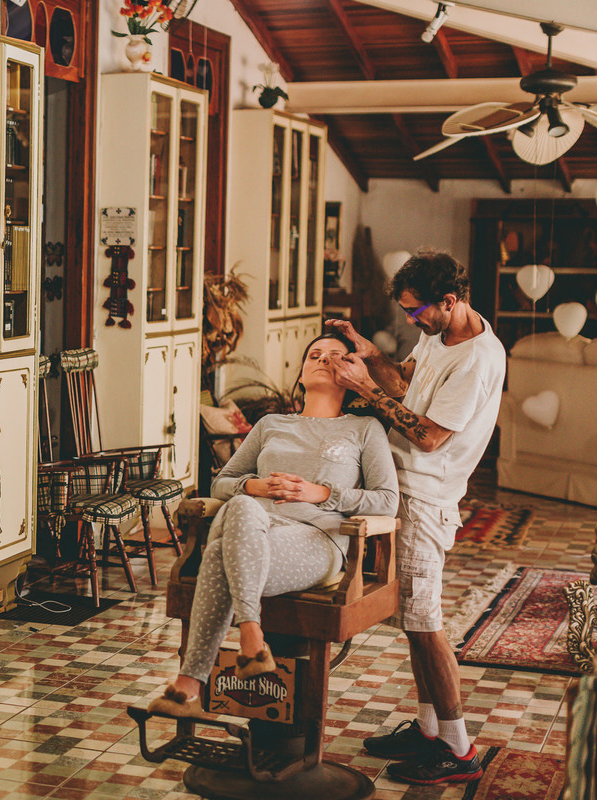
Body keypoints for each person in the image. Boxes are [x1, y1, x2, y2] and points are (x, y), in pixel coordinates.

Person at [149, 332, 398, 718]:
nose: (323, 359)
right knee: (242, 506)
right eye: (314, 354)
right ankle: (251, 636)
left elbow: (387, 500)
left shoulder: (364, 429)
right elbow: (222, 483)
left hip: (317, 537)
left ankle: (193, 681)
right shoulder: (271, 424)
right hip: (253, 526)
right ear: (300, 374)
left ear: (352, 374)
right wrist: (256, 486)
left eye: (336, 356)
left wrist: (320, 493)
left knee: (218, 552)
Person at [327, 249, 505, 785]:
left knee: (426, 624)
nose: (411, 320)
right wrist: (369, 353)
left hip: (426, 498)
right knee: (412, 620)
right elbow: (406, 382)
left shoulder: (476, 359)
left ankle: (459, 749)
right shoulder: (439, 333)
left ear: (449, 300)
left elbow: (427, 436)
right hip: (402, 488)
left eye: (416, 310)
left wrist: (364, 389)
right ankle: (429, 729)